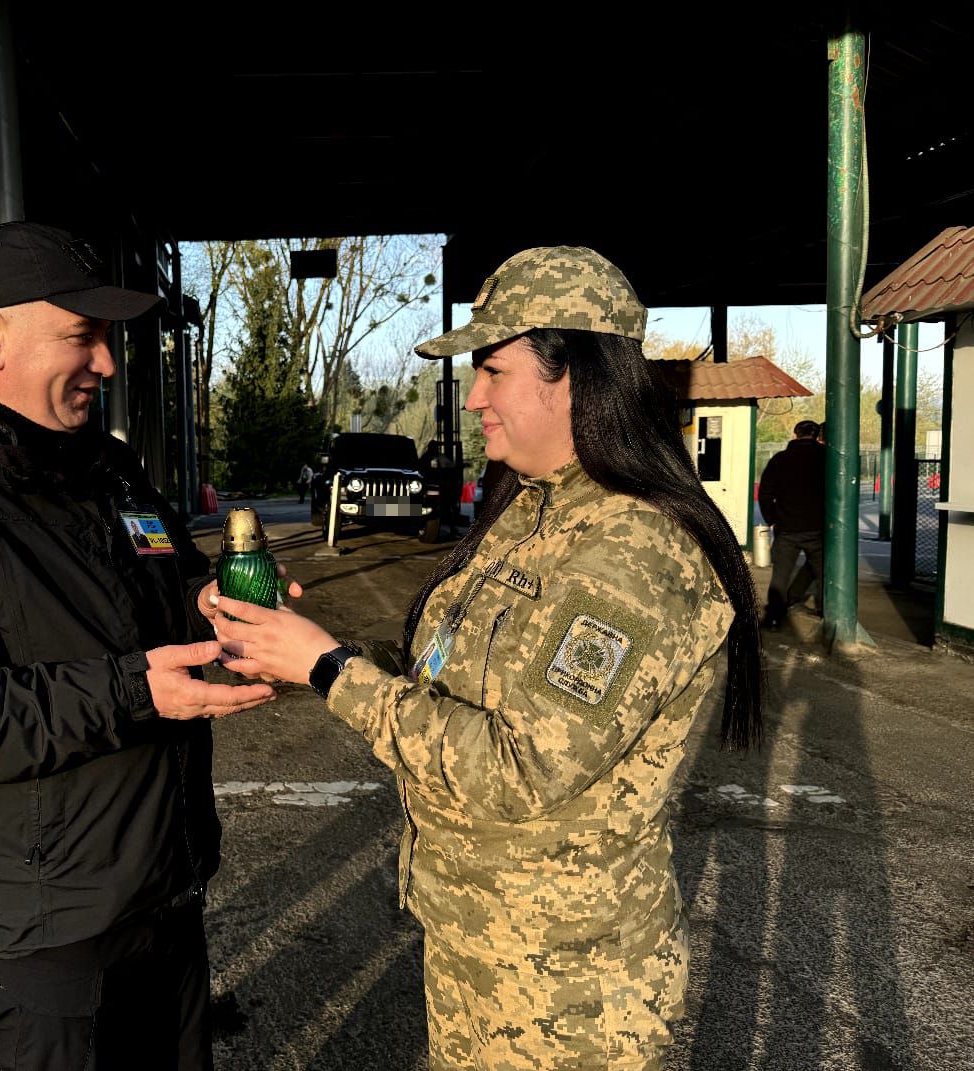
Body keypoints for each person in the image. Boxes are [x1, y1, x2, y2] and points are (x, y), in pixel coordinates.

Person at [213, 246, 763, 1070]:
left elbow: (520, 767)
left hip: (568, 1001)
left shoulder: (633, 551)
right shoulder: (532, 509)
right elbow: (442, 669)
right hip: (482, 955)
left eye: (494, 370)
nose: (474, 397)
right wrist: (298, 649)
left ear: (575, 376)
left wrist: (332, 671)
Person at [0, 221, 283, 1071]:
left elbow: (171, 575)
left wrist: (213, 602)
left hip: (163, 888)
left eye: (107, 337)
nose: (107, 362)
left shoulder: (108, 470)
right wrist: (132, 691)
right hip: (48, 930)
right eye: (82, 335)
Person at [757, 419, 826, 628]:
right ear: (817, 436)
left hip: (786, 528)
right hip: (817, 527)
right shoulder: (826, 458)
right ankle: (826, 614)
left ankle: (774, 617)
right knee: (823, 573)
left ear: (795, 435)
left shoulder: (780, 459)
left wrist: (772, 519)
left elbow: (765, 493)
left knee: (780, 575)